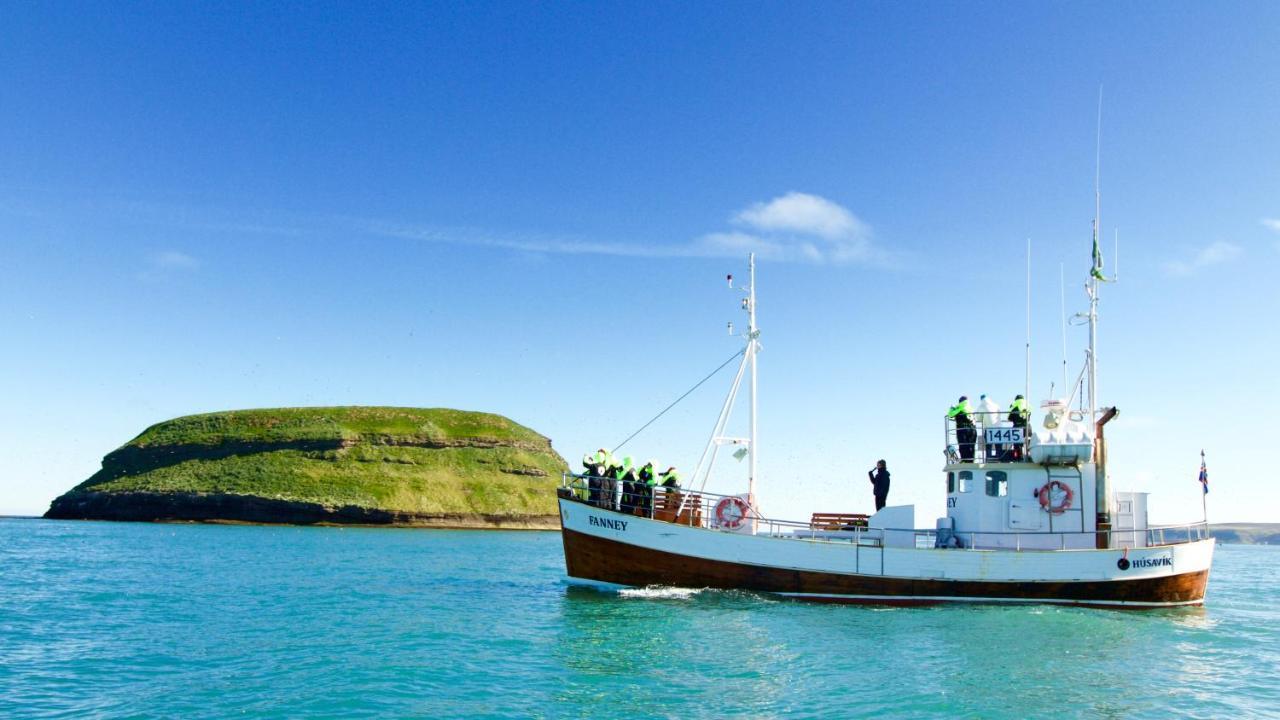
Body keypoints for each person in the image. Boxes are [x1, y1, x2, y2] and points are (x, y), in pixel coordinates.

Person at [947, 396, 976, 461]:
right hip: (973, 429)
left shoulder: (960, 406)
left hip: (962, 429)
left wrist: (952, 408)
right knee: (971, 446)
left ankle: (965, 460)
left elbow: (950, 414)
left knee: (963, 446)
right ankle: (972, 460)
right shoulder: (971, 408)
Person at [1007, 395, 1028, 461]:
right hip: (1027, 426)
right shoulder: (1027, 404)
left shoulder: (1014, 404)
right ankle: (1027, 456)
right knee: (1026, 442)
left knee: (1016, 444)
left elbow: (1009, 417)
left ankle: (1018, 458)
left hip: (1017, 426)